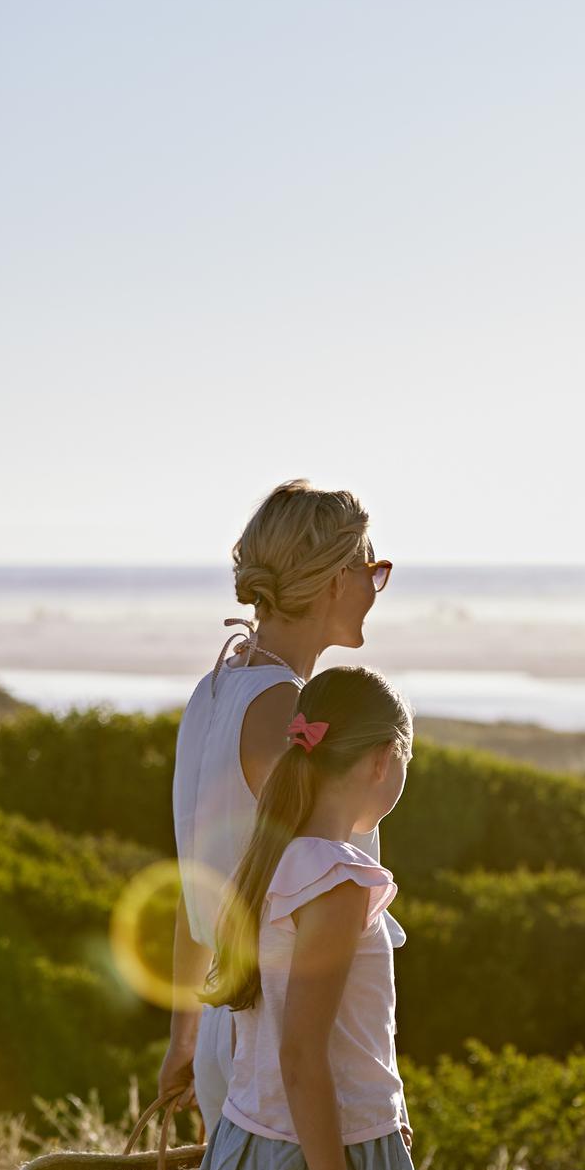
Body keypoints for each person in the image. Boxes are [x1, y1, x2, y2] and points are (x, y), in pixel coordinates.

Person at [161, 480, 398, 1129]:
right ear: (331, 581)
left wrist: (183, 1040)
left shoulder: (211, 694)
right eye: (370, 570)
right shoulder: (292, 715)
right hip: (283, 1051)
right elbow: (324, 917)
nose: (374, 590)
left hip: (223, 1031)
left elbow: (197, 890)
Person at [199, 666, 418, 1170]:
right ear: (384, 759)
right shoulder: (337, 879)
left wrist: (381, 1109)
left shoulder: (270, 860)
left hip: (247, 1139)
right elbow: (300, 1055)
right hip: (318, 1156)